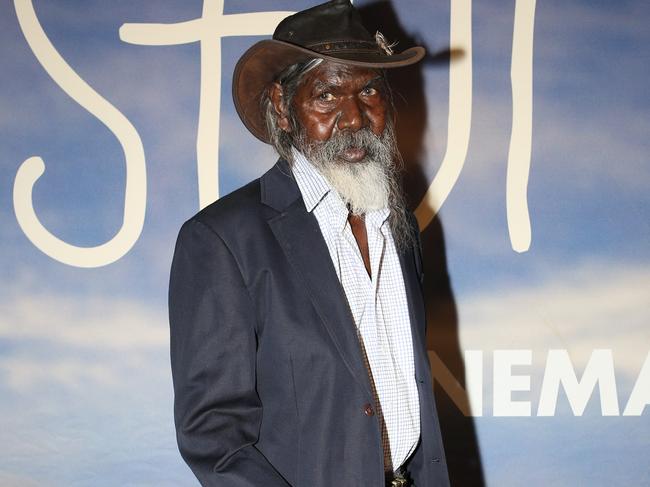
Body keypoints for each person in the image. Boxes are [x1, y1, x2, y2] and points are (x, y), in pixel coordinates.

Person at [169, 1, 449, 485]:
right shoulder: (222, 239)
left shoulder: (398, 224)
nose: (354, 118)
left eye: (369, 93)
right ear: (282, 105)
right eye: (326, 96)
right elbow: (213, 434)